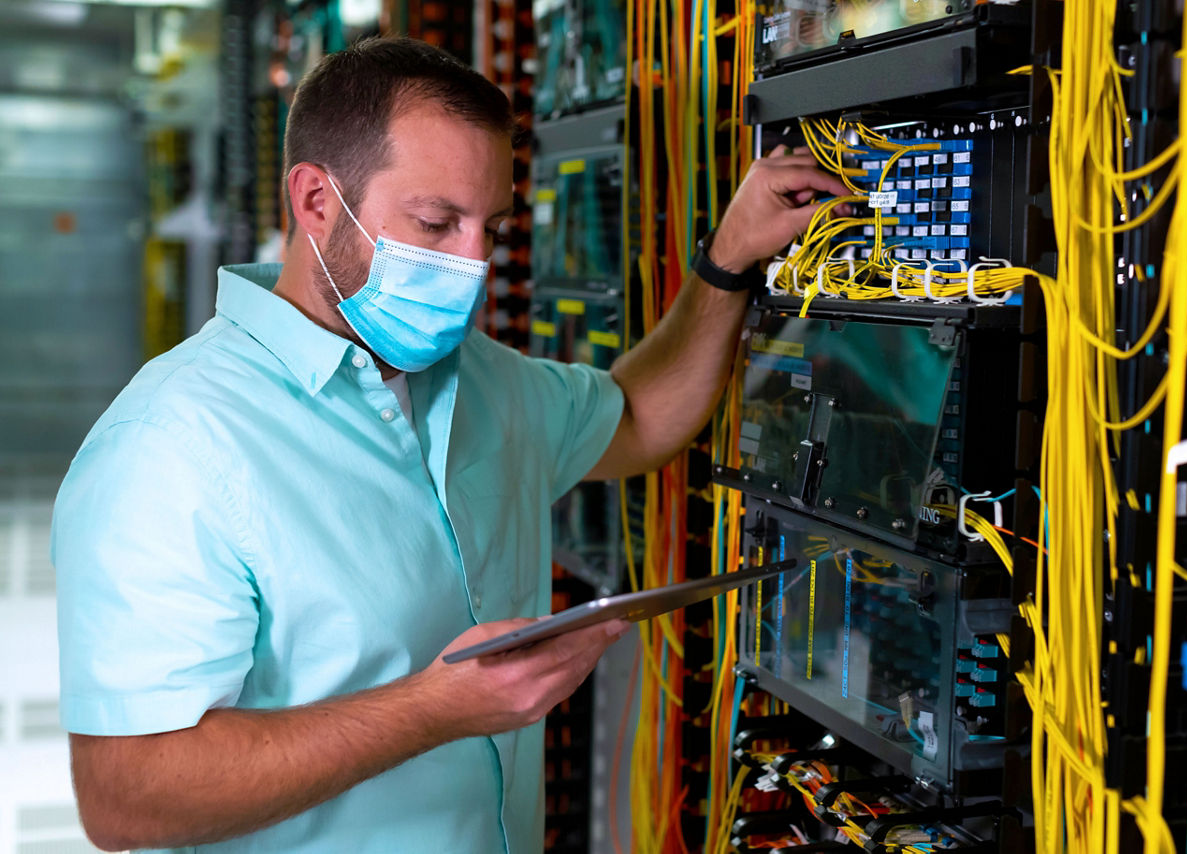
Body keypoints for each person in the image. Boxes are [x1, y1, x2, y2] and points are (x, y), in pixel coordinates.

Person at [52, 37, 848, 853]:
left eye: (490, 228)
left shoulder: (478, 383)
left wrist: (729, 259)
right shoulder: (169, 448)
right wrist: (435, 710)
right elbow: (128, 795)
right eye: (436, 223)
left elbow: (639, 417)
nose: (473, 266)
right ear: (317, 200)